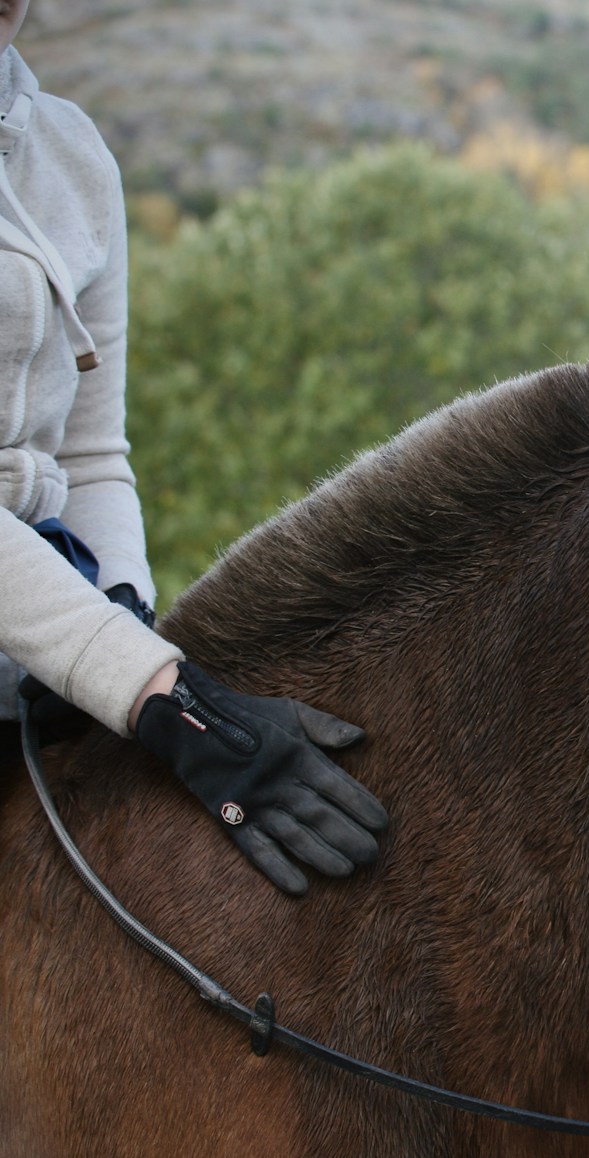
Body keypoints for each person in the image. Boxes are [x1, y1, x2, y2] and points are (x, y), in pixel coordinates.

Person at [0, 1, 386, 895]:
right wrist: (153, 691)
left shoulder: (73, 155)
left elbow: (93, 451)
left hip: (41, 627)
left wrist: (129, 610)